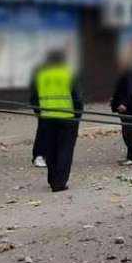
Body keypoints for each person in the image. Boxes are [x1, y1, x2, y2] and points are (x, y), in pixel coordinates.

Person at [29, 50, 83, 192]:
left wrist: (39, 112)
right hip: (67, 117)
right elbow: (77, 96)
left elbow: (33, 98)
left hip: (47, 118)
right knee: (65, 150)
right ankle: (59, 183)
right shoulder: (69, 72)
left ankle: (52, 180)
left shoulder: (40, 74)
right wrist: (78, 114)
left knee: (51, 149)